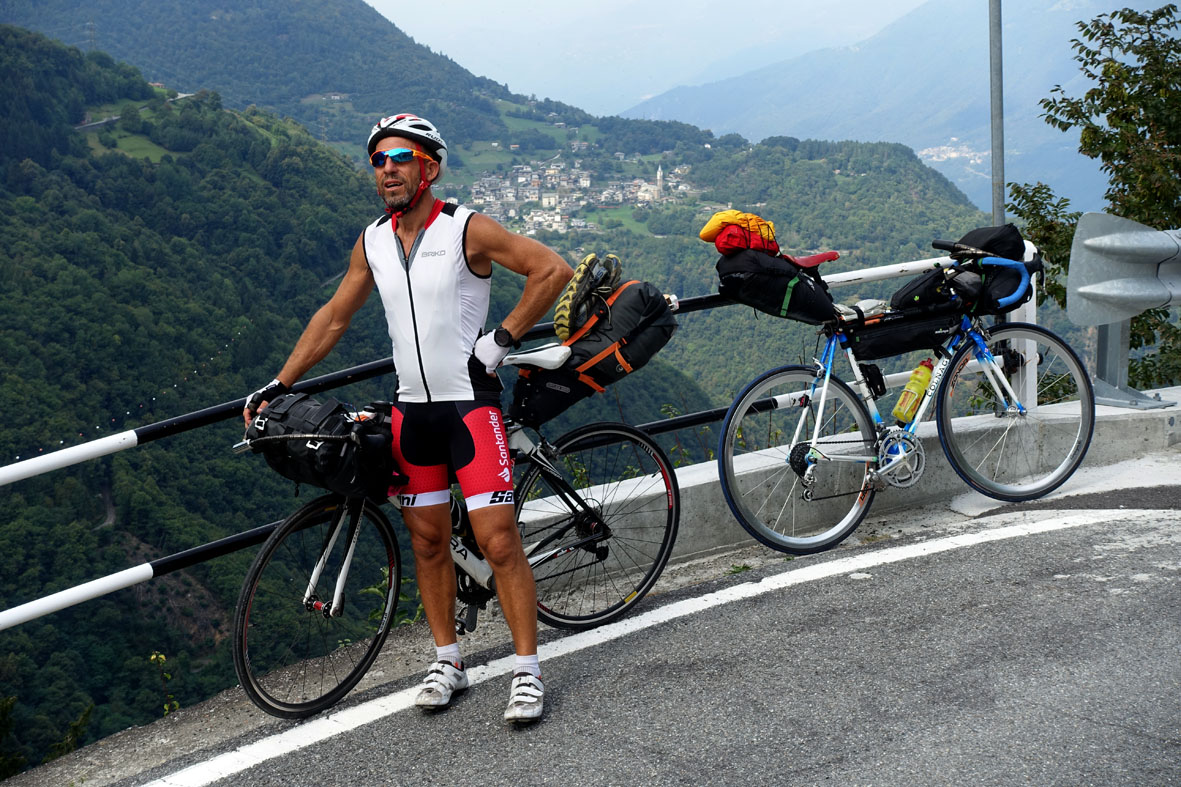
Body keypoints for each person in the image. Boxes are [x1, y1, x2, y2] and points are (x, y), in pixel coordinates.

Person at [243, 113, 573, 723]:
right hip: (410, 413)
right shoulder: (371, 240)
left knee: (498, 542)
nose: (387, 169)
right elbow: (334, 318)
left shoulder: (466, 228)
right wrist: (279, 383)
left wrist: (497, 342)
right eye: (378, 160)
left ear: (430, 167)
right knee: (426, 542)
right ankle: (448, 660)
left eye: (400, 157)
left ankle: (526, 671)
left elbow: (551, 269)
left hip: (470, 409)